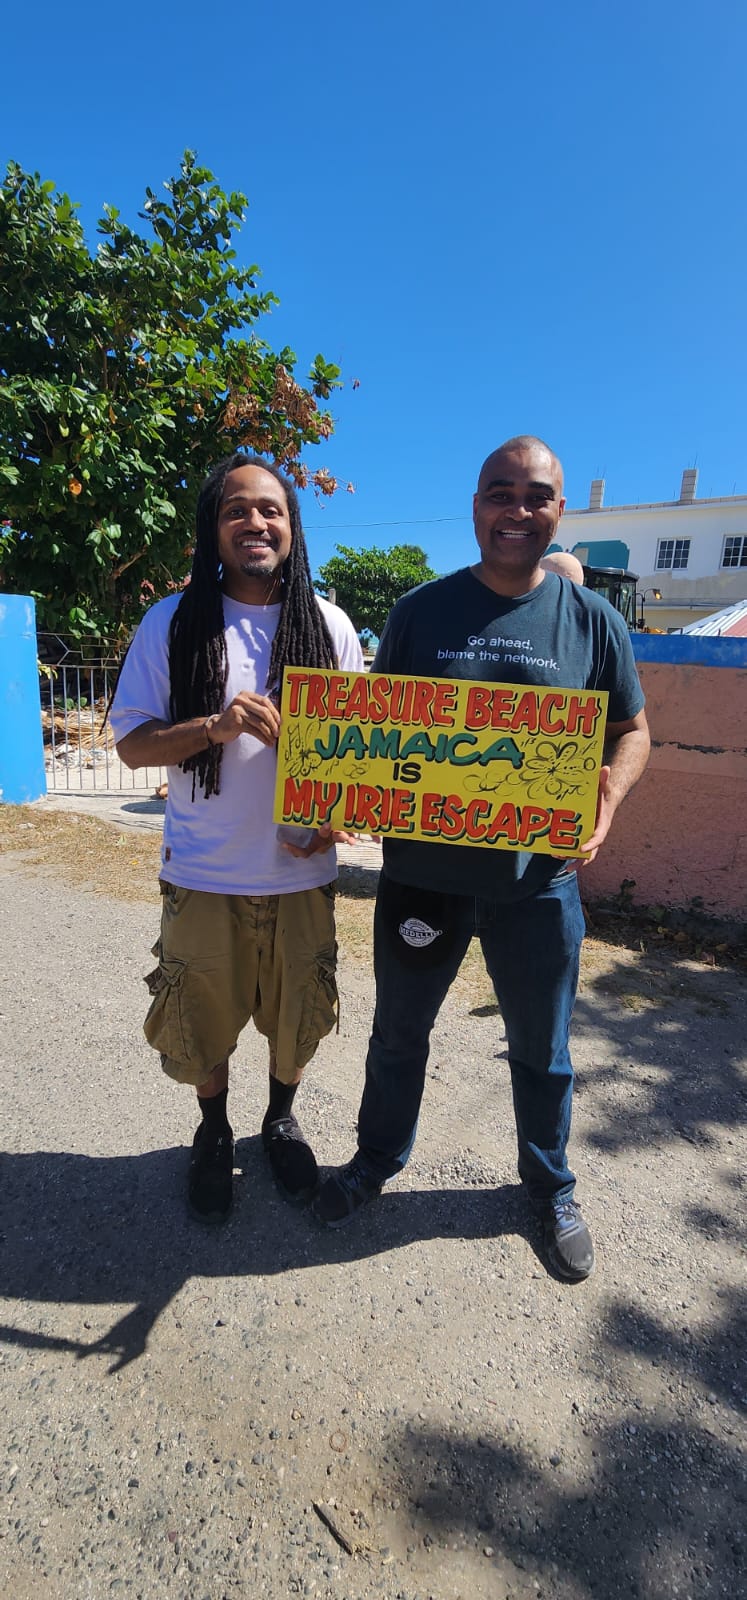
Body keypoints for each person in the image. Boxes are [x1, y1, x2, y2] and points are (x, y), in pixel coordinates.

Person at [314, 436, 650, 1281]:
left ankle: (549, 1186)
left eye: (535, 496)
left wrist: (607, 796)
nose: (516, 510)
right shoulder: (418, 611)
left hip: (538, 884)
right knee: (398, 1035)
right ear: (474, 506)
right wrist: (338, 792)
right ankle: (374, 1161)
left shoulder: (593, 621)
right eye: (500, 493)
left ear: (558, 511)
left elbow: (632, 731)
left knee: (543, 1049)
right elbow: (371, 731)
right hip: (421, 879)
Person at [110, 453, 363, 1223]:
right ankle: (213, 1130)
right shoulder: (173, 622)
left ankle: (278, 1121)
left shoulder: (329, 626)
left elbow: (355, 757)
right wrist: (212, 728)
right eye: (236, 509)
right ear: (212, 528)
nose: (255, 521)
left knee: (298, 1017)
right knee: (200, 1018)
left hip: (300, 875)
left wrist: (332, 817)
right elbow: (132, 744)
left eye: (270, 509)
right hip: (204, 873)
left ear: (292, 526)